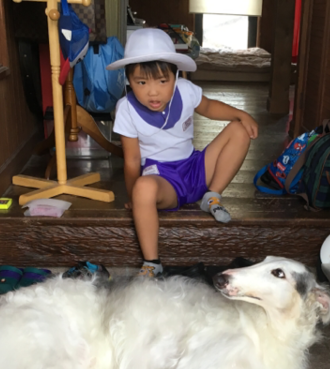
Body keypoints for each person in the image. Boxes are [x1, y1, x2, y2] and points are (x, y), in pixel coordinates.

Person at [107, 28, 259, 277]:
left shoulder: (186, 90)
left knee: (239, 130)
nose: (153, 92)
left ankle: (212, 196)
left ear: (175, 75)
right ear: (129, 80)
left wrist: (241, 114)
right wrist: (136, 197)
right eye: (141, 82)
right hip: (162, 179)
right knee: (143, 187)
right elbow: (132, 159)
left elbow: (209, 107)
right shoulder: (126, 109)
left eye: (162, 81)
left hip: (195, 167)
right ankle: (152, 262)